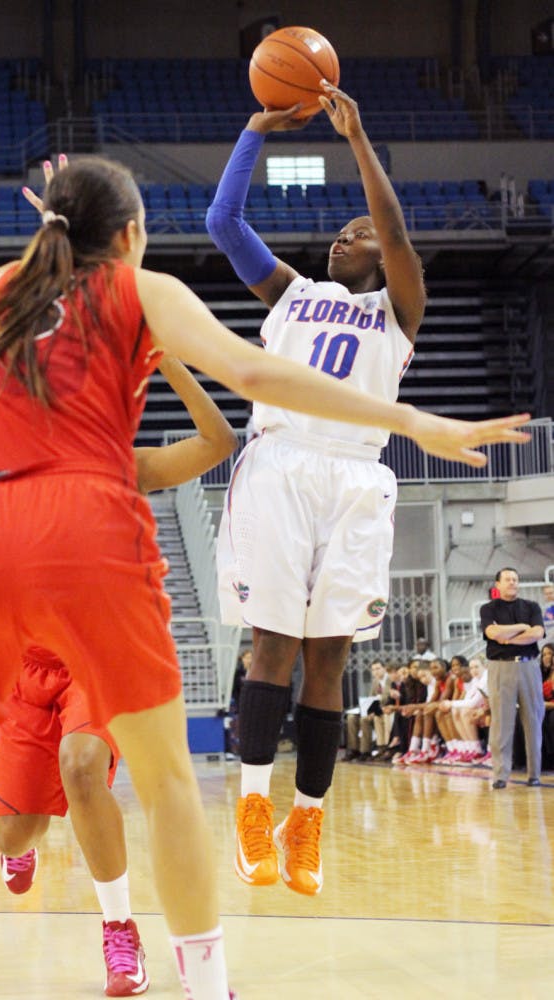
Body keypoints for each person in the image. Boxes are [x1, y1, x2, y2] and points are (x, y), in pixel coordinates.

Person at [0, 153, 529, 999]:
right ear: (131, 237)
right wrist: (409, 418)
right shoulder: (145, 293)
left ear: (50, 236)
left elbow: (49, 275)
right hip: (85, 529)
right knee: (170, 785)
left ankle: (177, 892)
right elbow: (253, 373)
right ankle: (208, 984)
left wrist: (51, 227)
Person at [205, 82, 528, 895]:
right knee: (273, 648)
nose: (345, 240)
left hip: (358, 475)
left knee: (329, 664)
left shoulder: (400, 310)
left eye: (360, 235)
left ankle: (306, 819)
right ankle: (252, 811)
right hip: (281, 462)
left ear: (382, 255)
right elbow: (223, 223)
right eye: (339, 236)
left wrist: (357, 142)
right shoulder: (294, 295)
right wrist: (254, 128)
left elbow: (393, 230)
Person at [0, 353, 238, 999]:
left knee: (80, 766)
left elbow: (219, 443)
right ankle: (18, 841)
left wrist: (177, 363)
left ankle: (120, 930)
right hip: (25, 672)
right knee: (13, 833)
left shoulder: (118, 469)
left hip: (97, 663)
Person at [480, 567, 545, 790]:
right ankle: (500, 774)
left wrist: (507, 638)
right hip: (501, 667)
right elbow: (492, 633)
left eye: (515, 579)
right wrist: (520, 628)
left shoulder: (531, 607)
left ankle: (534, 773)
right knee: (501, 722)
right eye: (507, 579)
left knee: (533, 720)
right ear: (497, 584)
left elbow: (537, 634)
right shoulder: (488, 609)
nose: (512, 583)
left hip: (528, 666)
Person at [344, 659, 391, 760]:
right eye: (373, 670)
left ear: (384, 668)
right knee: (351, 717)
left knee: (364, 720)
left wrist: (373, 710)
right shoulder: (375, 682)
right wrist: (369, 709)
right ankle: (353, 749)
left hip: (384, 709)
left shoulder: (389, 680)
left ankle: (365, 751)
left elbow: (387, 698)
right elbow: (371, 698)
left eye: (378, 668)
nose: (376, 672)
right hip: (375, 709)